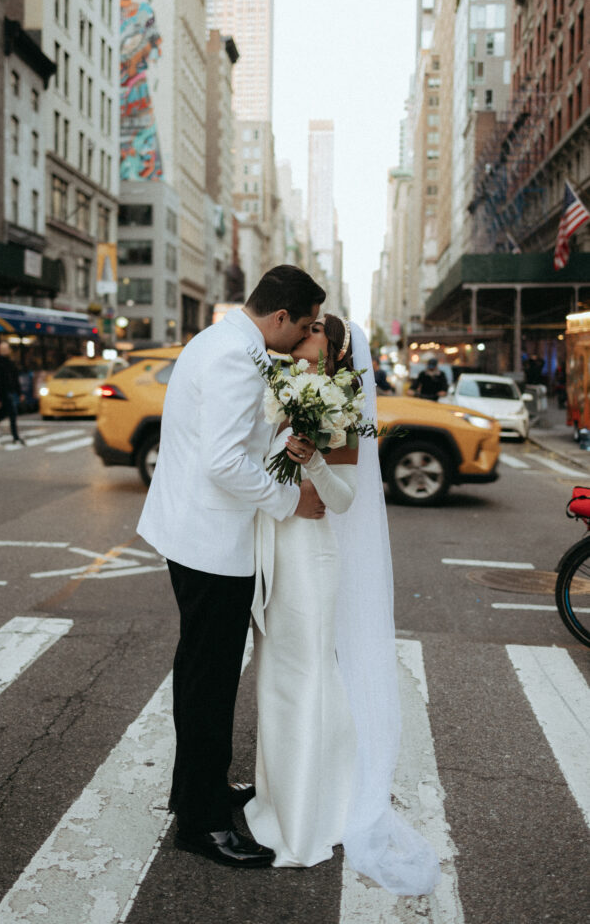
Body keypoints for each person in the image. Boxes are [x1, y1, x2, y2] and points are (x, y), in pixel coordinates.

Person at [137, 265, 327, 869]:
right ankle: (200, 823)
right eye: (301, 327)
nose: (302, 337)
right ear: (278, 317)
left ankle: (198, 792)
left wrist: (282, 437)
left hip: (196, 535)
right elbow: (223, 462)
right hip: (209, 544)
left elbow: (232, 438)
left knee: (200, 673)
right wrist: (290, 498)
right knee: (210, 684)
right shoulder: (235, 359)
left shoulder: (221, 341)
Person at [245, 316, 441, 895]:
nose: (298, 339)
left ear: (331, 349)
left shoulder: (343, 408)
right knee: (276, 679)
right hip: (273, 546)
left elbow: (345, 499)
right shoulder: (281, 388)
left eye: (310, 334)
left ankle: (307, 820)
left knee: (305, 679)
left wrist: (312, 463)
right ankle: (277, 798)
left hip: (311, 556)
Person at [0, 340, 25, 445]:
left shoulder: (11, 363)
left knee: (8, 415)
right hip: (4, 394)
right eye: (2, 349)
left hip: (11, 393)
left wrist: (20, 393)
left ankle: (15, 436)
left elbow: (15, 379)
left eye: (6, 349)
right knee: (6, 415)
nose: (4, 351)